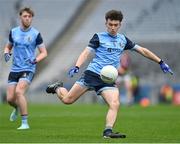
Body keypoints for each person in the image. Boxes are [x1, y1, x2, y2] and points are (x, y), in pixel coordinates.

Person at [46, 10, 173, 138]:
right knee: (67, 100)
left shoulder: (123, 40)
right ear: (106, 23)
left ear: (120, 25)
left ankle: (107, 132)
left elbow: (143, 51)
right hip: (92, 75)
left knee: (114, 103)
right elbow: (85, 53)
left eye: (115, 25)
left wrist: (160, 62)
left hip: (107, 79)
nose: (113, 27)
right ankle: (57, 87)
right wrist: (77, 66)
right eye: (110, 24)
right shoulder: (98, 37)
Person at [4, 7, 47, 130]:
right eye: (25, 16)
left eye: (29, 16)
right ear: (20, 17)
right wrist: (6, 53)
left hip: (28, 68)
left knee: (19, 92)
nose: (27, 18)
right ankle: (16, 107)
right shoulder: (13, 32)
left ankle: (24, 123)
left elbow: (44, 52)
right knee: (10, 99)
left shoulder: (35, 34)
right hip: (14, 69)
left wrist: (35, 59)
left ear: (32, 18)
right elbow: (8, 47)